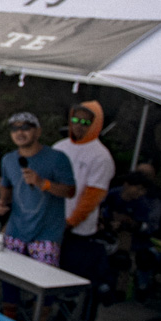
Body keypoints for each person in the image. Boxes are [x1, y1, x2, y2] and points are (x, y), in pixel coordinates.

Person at [0, 110, 76, 279]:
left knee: (42, 282)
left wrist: (43, 183)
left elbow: (70, 191)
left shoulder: (57, 158)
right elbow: (6, 189)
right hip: (15, 232)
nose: (19, 132)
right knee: (9, 281)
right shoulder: (8, 160)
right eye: (14, 128)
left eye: (26, 127)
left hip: (46, 235)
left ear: (38, 131)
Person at [53, 101, 116, 305]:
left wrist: (71, 222)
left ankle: (67, 316)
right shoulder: (59, 147)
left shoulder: (101, 156)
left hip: (78, 232)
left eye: (86, 122)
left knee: (68, 282)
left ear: (95, 125)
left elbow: (92, 197)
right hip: (51, 223)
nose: (79, 125)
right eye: (76, 120)